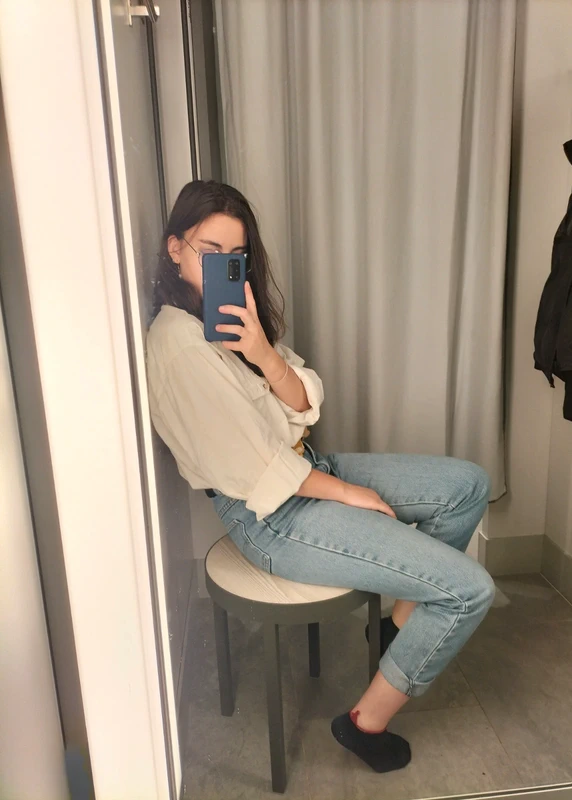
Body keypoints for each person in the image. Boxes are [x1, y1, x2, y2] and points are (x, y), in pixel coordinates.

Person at [147, 179, 495, 774]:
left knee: (467, 486)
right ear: (175, 247)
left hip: (306, 467)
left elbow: (305, 401)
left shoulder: (226, 321)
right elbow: (258, 467)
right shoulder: (180, 347)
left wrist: (263, 353)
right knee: (468, 591)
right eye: (210, 251)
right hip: (269, 513)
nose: (225, 266)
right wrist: (350, 494)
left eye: (237, 255)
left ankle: (398, 630)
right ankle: (365, 723)